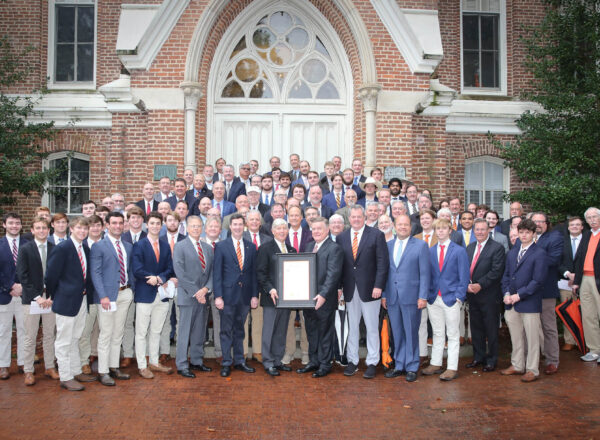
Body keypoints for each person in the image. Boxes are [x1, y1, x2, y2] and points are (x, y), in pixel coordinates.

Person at [46, 216, 97, 391]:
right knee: (64, 340)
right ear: (71, 229)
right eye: (79, 228)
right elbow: (51, 276)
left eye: (85, 229)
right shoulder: (63, 248)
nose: (83, 231)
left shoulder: (84, 248)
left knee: (76, 336)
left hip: (81, 299)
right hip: (66, 300)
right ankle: (65, 376)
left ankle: (76, 370)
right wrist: (56, 294)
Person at [338, 205, 388, 379]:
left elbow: (383, 263)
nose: (356, 220)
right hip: (350, 290)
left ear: (365, 217)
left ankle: (372, 362)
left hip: (370, 290)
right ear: (349, 219)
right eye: (353, 217)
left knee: (372, 327)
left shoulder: (376, 235)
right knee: (352, 327)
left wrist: (379, 286)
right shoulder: (342, 237)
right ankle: (352, 361)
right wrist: (339, 288)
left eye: (359, 217)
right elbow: (340, 265)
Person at [382, 214, 430, 382]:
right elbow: (385, 273)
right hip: (392, 297)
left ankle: (412, 365)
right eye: (400, 224)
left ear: (411, 227)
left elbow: (425, 273)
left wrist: (423, 296)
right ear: (394, 226)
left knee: (411, 332)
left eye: (406, 225)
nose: (403, 227)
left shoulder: (421, 246)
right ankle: (399, 364)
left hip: (412, 297)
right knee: (397, 332)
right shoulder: (387, 246)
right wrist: (384, 295)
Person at [421, 218, 469, 381]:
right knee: (437, 332)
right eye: (438, 229)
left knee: (453, 333)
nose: (440, 231)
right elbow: (428, 275)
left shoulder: (459, 251)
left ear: (450, 230)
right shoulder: (431, 251)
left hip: (451, 298)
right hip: (434, 298)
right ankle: (435, 362)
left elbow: (464, 276)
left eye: (443, 228)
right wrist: (428, 294)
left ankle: (452, 367)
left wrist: (458, 296)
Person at [90, 212, 135, 386]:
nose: (117, 226)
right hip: (108, 297)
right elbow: (96, 272)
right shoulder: (99, 246)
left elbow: (129, 270)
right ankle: (103, 371)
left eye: (120, 223)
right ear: (107, 225)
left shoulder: (127, 246)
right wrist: (103, 296)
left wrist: (131, 290)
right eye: (114, 223)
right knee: (106, 334)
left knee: (118, 333)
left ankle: (114, 366)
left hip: (124, 294)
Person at [501, 219, 547, 382]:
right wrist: (506, 293)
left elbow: (537, 281)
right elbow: (506, 275)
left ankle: (532, 369)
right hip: (511, 302)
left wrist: (519, 295)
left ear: (534, 234)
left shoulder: (539, 253)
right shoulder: (513, 251)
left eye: (528, 232)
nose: (524, 235)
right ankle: (517, 364)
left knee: (532, 338)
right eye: (521, 232)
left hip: (529, 302)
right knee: (516, 336)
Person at [213, 214, 258, 377]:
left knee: (240, 330)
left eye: (240, 224)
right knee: (226, 330)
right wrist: (218, 296)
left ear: (244, 226)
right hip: (226, 296)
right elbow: (216, 273)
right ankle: (226, 362)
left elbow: (253, 273)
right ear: (230, 227)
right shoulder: (221, 246)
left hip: (245, 296)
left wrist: (254, 295)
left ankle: (239, 361)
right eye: (235, 224)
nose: (238, 227)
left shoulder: (251, 247)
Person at [131, 212, 175, 379]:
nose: (155, 226)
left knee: (156, 330)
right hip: (145, 294)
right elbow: (137, 269)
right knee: (141, 332)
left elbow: (170, 268)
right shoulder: (139, 245)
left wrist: (160, 278)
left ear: (161, 225)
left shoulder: (164, 246)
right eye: (152, 223)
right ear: (147, 225)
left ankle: (154, 362)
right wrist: (153, 277)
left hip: (161, 294)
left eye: (158, 223)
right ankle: (142, 365)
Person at [16, 216, 58, 386]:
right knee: (30, 336)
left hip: (50, 300)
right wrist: (37, 297)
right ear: (32, 230)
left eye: (44, 228)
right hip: (32, 300)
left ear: (49, 230)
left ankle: (49, 367)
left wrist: (50, 296)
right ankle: (28, 370)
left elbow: (57, 275)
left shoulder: (54, 248)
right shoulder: (25, 249)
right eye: (38, 228)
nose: (42, 231)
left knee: (49, 335)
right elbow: (23, 276)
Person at [300, 217, 343, 378]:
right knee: (311, 331)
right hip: (307, 298)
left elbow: (333, 275)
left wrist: (323, 295)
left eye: (319, 229)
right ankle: (314, 361)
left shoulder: (334, 248)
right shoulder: (309, 246)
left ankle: (325, 364)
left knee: (325, 332)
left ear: (327, 230)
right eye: (314, 229)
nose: (316, 231)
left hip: (324, 299)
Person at [172, 216, 213, 378]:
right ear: (187, 228)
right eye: (193, 226)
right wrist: (197, 292)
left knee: (199, 331)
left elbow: (212, 272)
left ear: (202, 228)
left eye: (198, 226)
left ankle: (196, 360)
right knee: (184, 332)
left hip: (203, 296)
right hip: (188, 296)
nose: (196, 229)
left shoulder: (208, 248)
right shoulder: (180, 247)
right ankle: (182, 364)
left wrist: (206, 289)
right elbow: (180, 272)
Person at [465, 219, 506, 372]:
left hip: (489, 295)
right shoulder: (469, 248)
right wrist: (467, 285)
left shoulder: (497, 248)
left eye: (483, 229)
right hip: (472, 295)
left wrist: (480, 285)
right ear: (474, 231)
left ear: (488, 230)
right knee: (475, 328)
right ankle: (478, 357)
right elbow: (465, 269)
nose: (480, 232)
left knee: (491, 329)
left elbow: (496, 272)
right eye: (477, 229)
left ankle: (492, 359)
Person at [256, 218, 295, 376]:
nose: (282, 231)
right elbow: (261, 272)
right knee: (269, 330)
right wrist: (270, 289)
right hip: (271, 297)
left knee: (281, 330)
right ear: (272, 231)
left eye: (284, 228)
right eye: (278, 228)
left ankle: (278, 360)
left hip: (287, 298)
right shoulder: (265, 249)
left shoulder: (292, 251)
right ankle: (268, 361)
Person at [530, 212, 563, 375]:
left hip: (546, 290)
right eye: (534, 221)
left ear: (547, 223)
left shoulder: (554, 238)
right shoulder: (526, 237)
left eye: (541, 221)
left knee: (548, 327)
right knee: (529, 328)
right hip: (527, 291)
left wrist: (531, 260)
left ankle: (552, 360)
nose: (537, 224)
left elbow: (553, 260)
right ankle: (532, 360)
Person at [0, 212, 27, 380]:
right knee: (4, 331)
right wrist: (10, 286)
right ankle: (3, 365)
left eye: (17, 223)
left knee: (25, 330)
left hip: (24, 294)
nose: (14, 226)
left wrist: (23, 286)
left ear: (21, 225)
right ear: (4, 225)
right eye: (11, 223)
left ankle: (23, 362)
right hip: (4, 295)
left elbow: (32, 269)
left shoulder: (28, 244)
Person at [242, 211, 272, 361]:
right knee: (242, 318)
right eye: (251, 219)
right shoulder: (240, 237)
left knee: (258, 318)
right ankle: (242, 351)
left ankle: (257, 351)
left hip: (261, 284)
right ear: (246, 222)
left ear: (260, 223)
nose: (254, 222)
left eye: (256, 219)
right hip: (244, 284)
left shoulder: (268, 239)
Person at [572, 207, 600, 362]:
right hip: (585, 280)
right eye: (589, 218)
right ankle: (595, 349)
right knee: (589, 316)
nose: (592, 220)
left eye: (595, 216)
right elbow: (579, 259)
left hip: (598, 278)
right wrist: (576, 282)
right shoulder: (587, 235)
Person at [557, 216, 586, 351]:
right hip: (566, 282)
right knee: (567, 312)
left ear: (582, 227)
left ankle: (585, 340)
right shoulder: (562, 242)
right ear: (568, 228)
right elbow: (558, 262)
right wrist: (568, 274)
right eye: (572, 225)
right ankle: (569, 340)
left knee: (586, 312)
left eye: (577, 225)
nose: (574, 227)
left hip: (585, 282)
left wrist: (579, 277)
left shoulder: (588, 241)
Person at [79, 215, 103, 375]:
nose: (95, 228)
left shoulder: (107, 245)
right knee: (85, 330)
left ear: (103, 227)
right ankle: (83, 361)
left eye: (97, 225)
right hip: (86, 294)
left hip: (104, 295)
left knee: (101, 329)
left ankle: (96, 354)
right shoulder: (81, 246)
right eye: (91, 226)